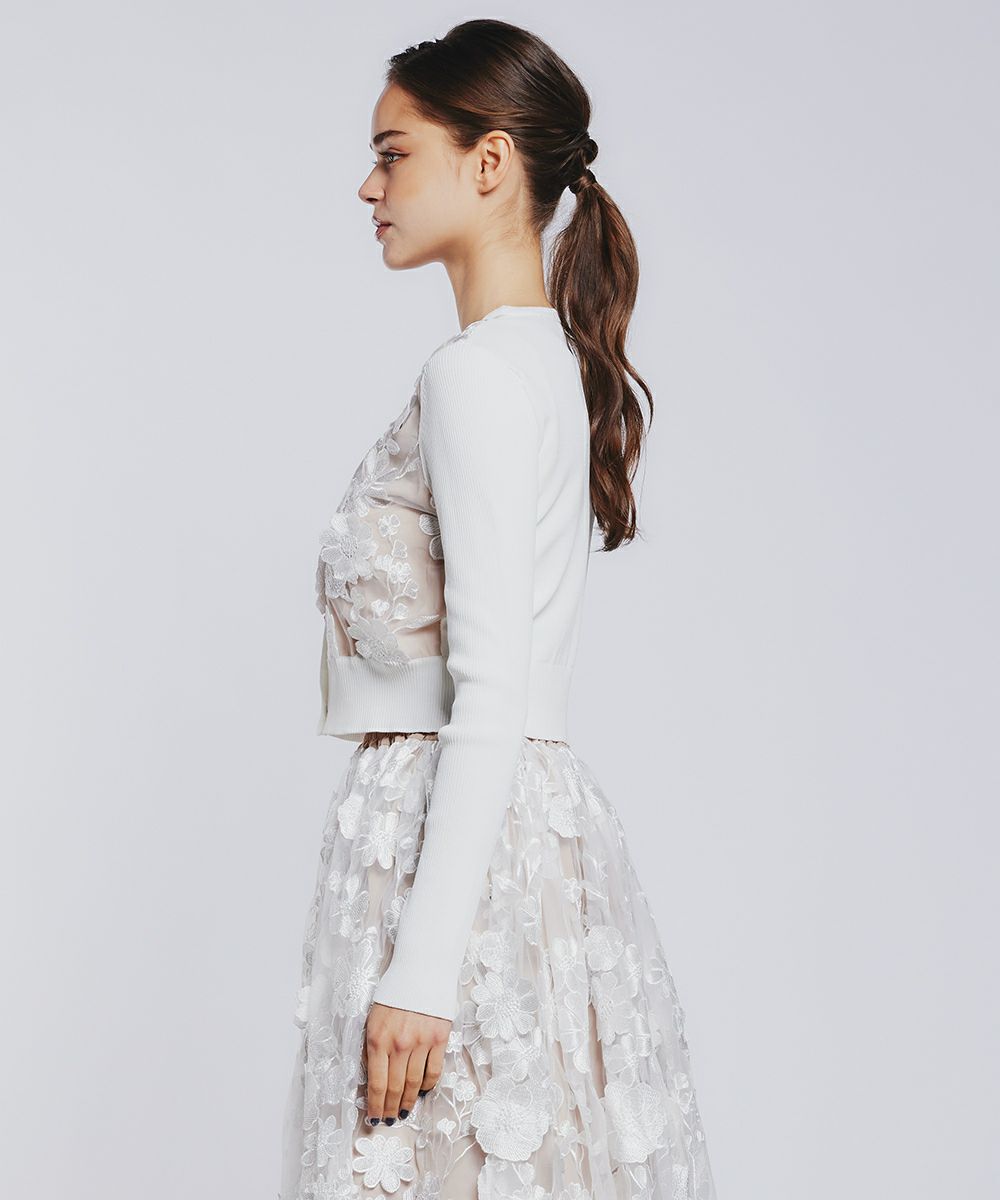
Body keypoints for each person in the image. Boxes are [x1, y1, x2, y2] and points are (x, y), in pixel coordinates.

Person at [281, 19, 718, 1200]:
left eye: (393, 154)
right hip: (506, 830)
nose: (368, 187)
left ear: (488, 163)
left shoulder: (473, 374)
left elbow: (492, 686)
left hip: (451, 832)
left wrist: (420, 973)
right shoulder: (541, 363)